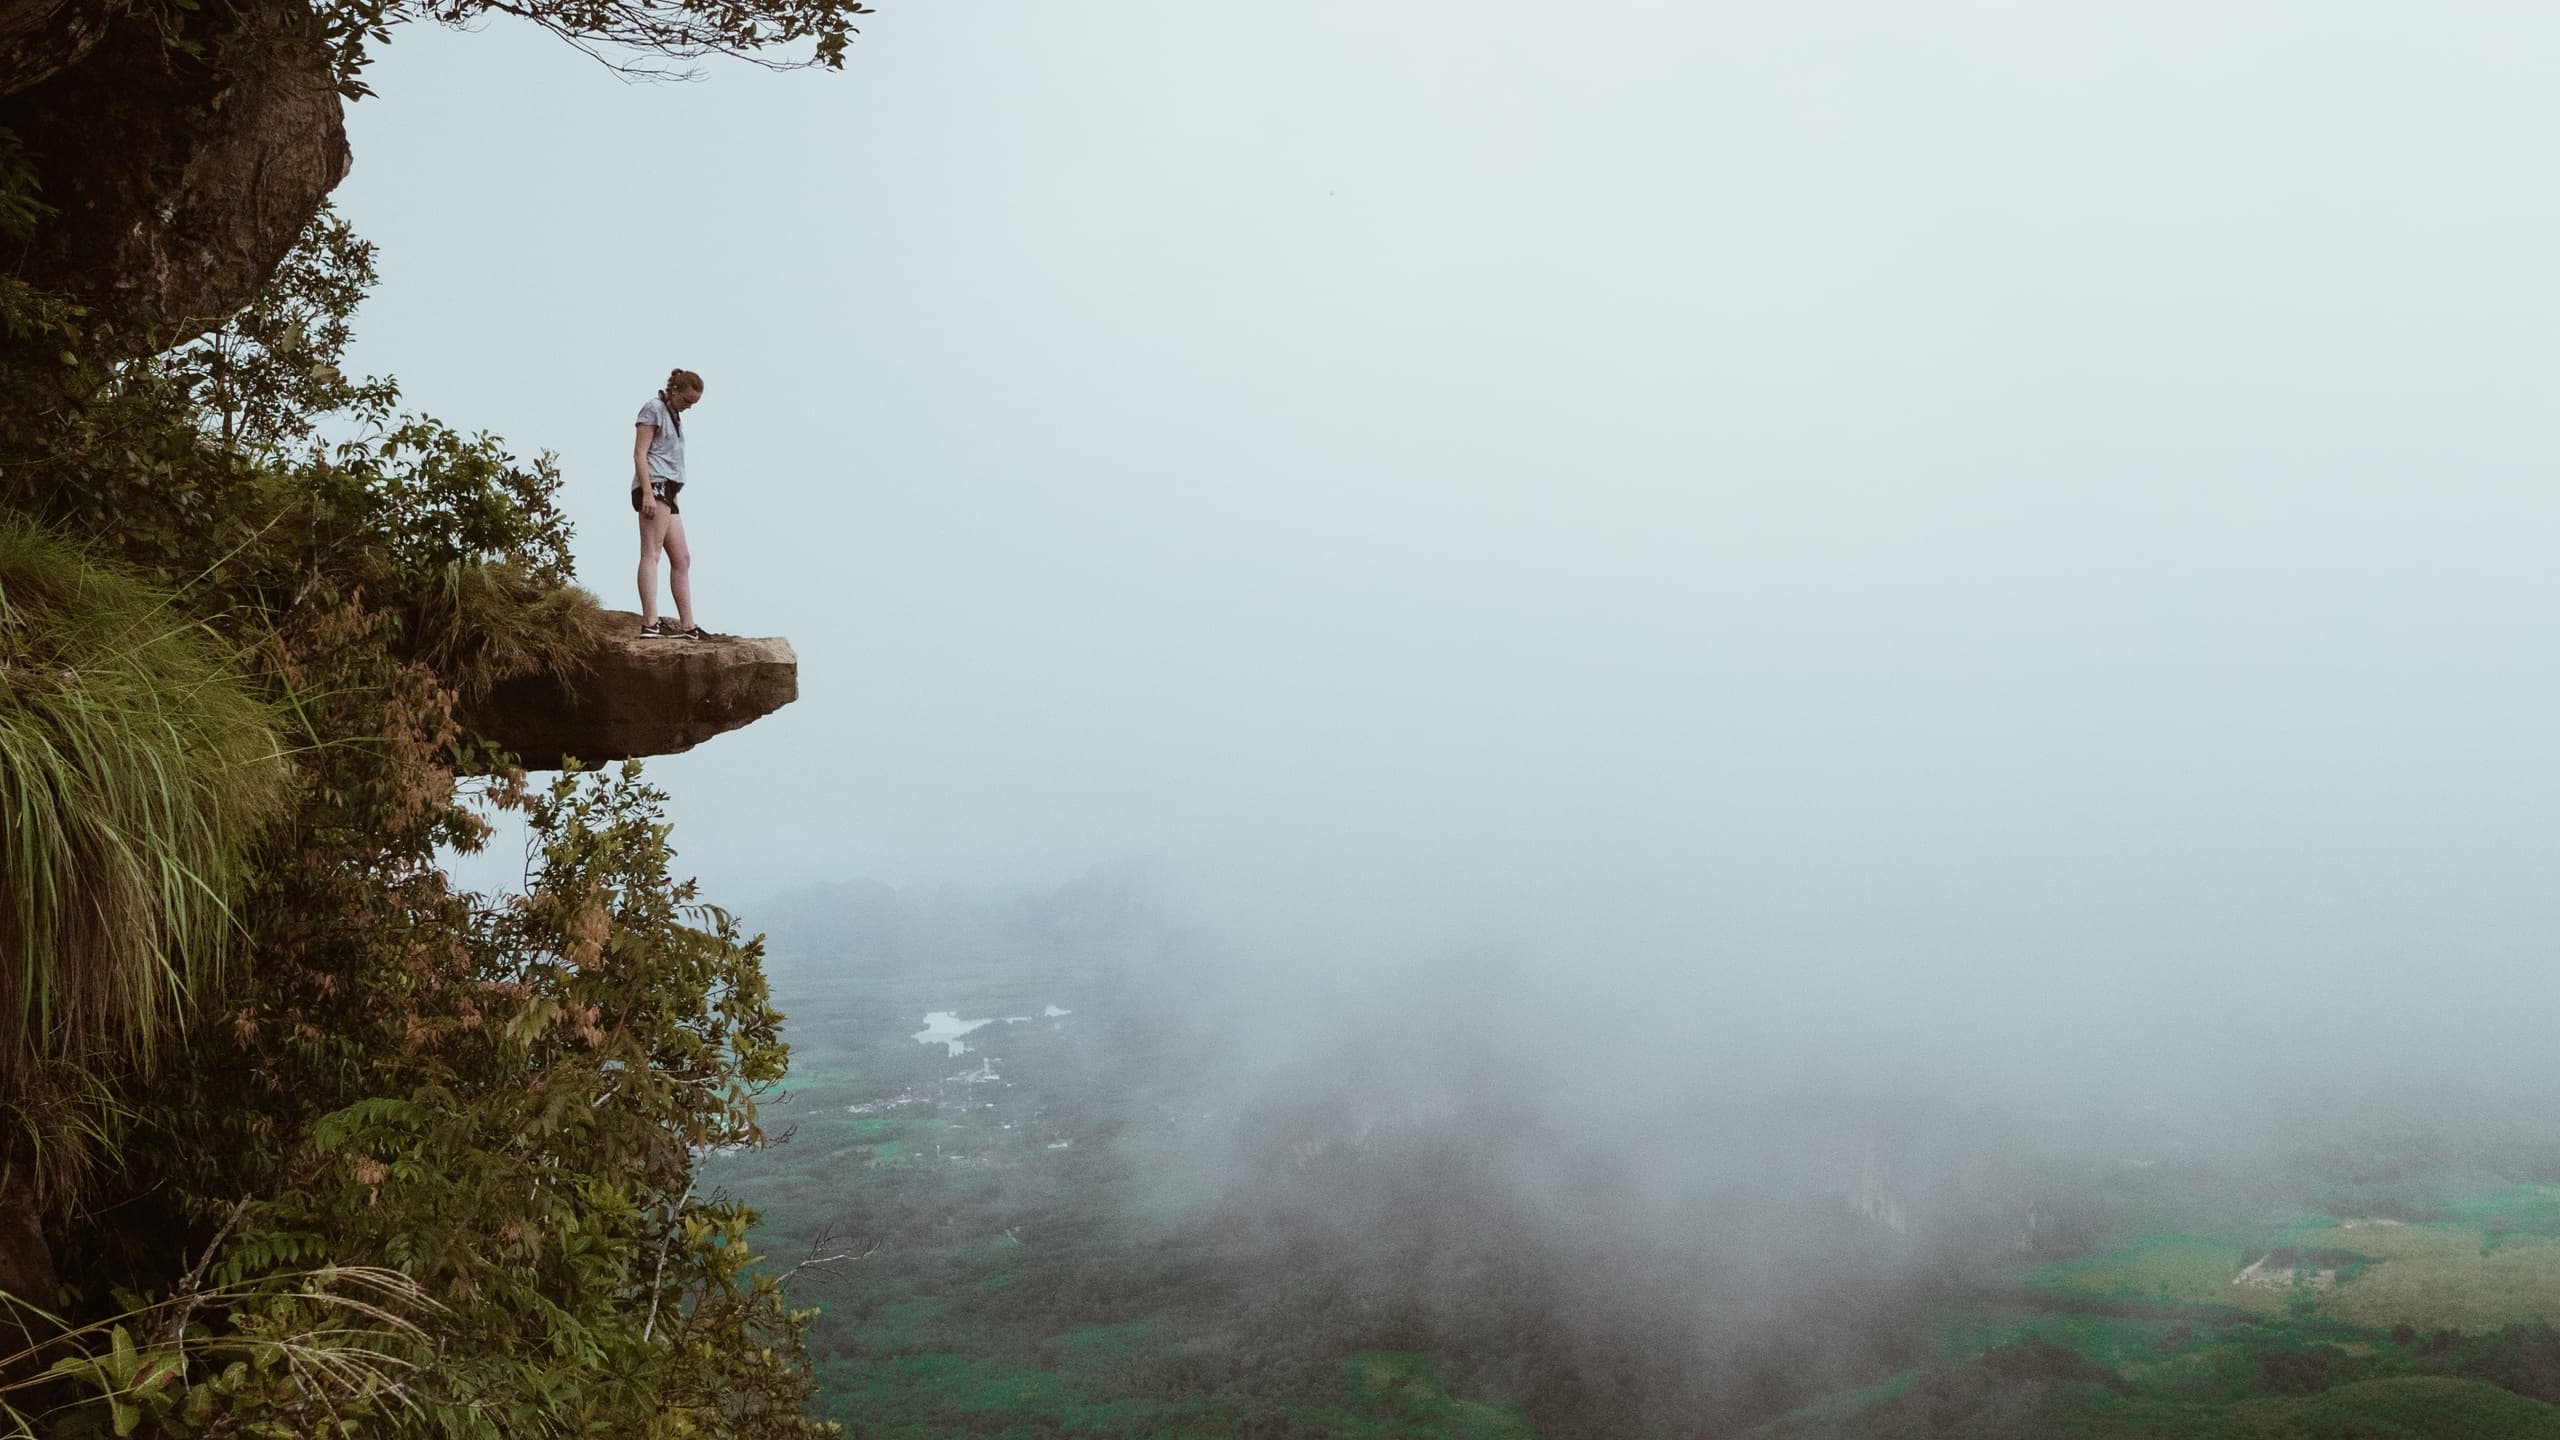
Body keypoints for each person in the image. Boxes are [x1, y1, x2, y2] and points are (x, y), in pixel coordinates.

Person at [633, 367, 710, 638]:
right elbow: (640, 454)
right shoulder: (653, 408)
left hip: (670, 490)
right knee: (651, 554)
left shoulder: (673, 414)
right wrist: (647, 494)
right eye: (687, 401)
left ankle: (689, 626)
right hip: (654, 486)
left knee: (682, 558)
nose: (689, 407)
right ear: (675, 390)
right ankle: (650, 623)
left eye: (694, 403)